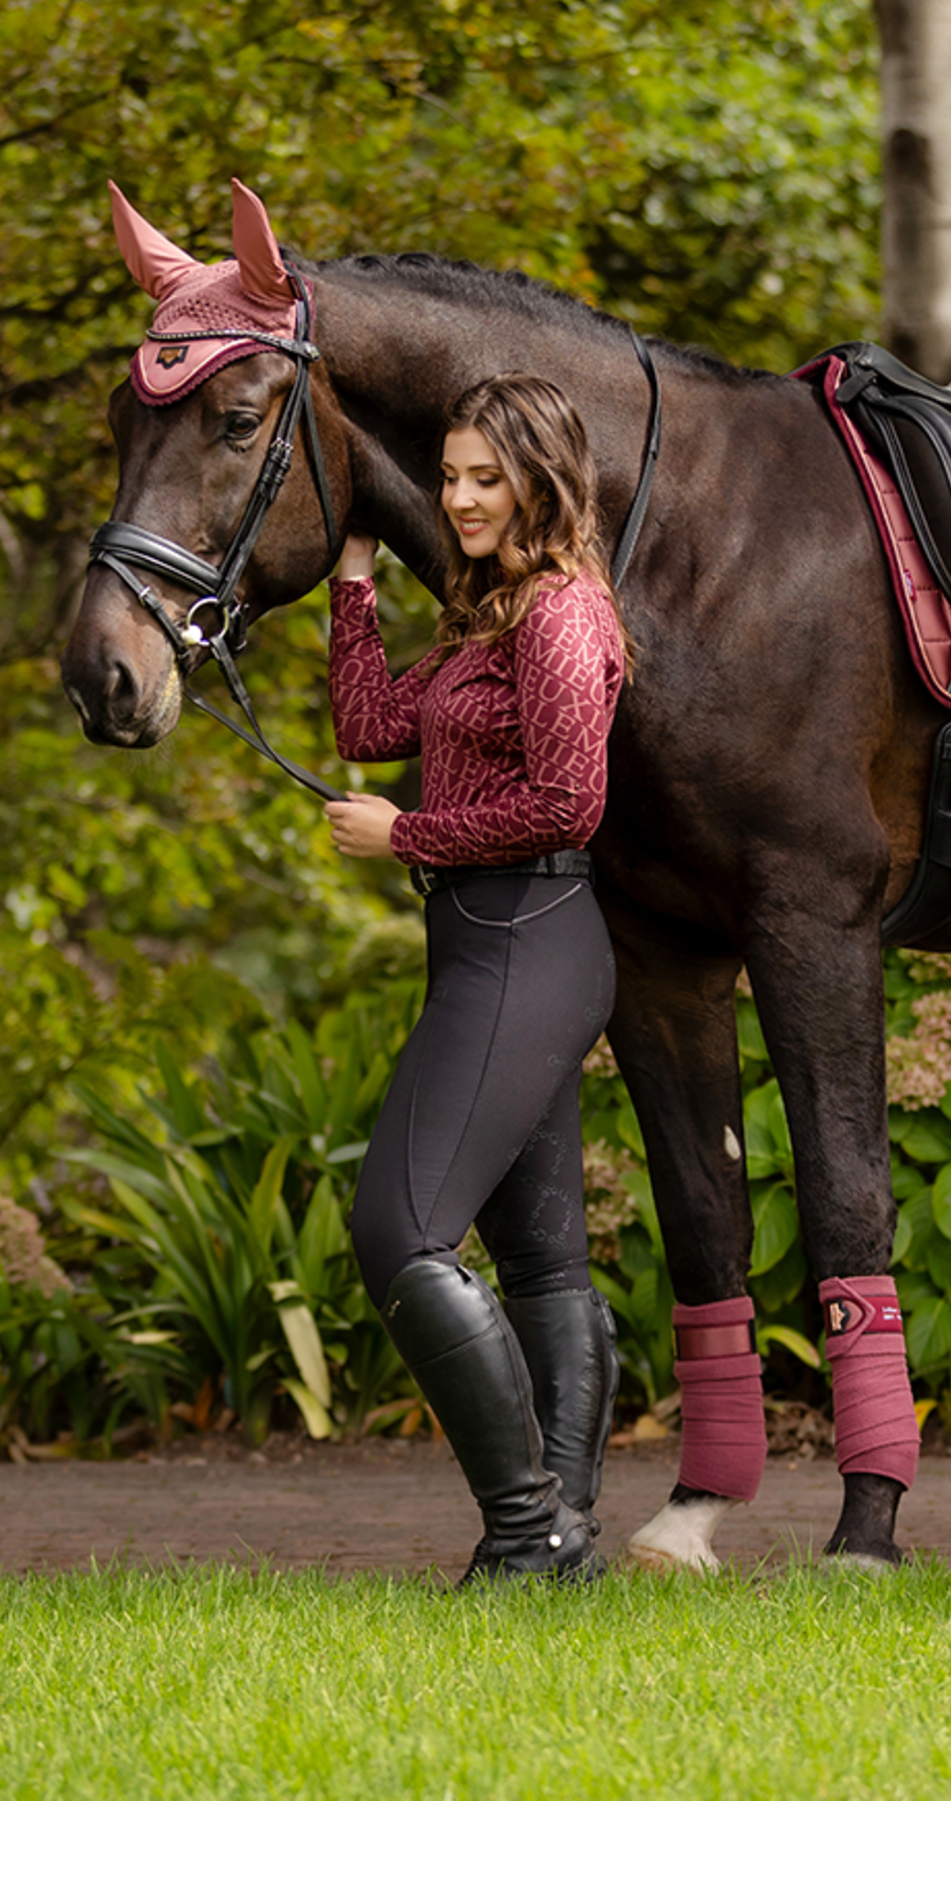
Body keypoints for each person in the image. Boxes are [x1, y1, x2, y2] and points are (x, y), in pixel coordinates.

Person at [324, 373, 629, 1584]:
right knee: (544, 1259)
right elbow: (367, 722)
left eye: (484, 479)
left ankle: (528, 1528)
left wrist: (403, 837)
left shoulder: (558, 617)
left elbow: (570, 800)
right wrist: (353, 578)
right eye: (449, 477)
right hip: (494, 938)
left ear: (539, 480)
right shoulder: (492, 614)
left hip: (530, 937)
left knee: (399, 1233)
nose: (457, 498)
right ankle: (562, 1547)